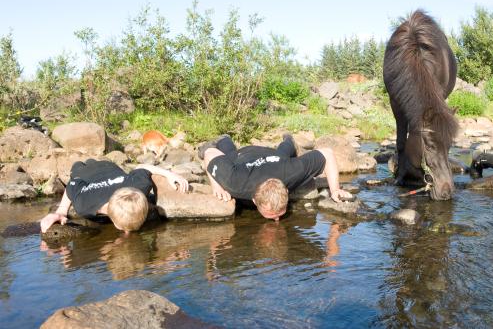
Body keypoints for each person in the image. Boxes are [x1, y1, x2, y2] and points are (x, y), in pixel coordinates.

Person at [201, 134, 351, 221]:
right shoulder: (235, 181)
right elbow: (210, 153)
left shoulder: (292, 172)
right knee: (229, 154)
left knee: (284, 153)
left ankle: (288, 139)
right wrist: (218, 186)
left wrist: (335, 190)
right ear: (254, 200)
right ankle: (224, 138)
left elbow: (327, 154)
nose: (277, 220)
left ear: (286, 190)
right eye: (272, 215)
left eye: (279, 213)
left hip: (275, 157)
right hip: (243, 158)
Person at [40, 159, 189, 233]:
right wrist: (61, 211)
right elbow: (73, 184)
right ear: (116, 224)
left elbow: (143, 167)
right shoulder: (84, 204)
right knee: (77, 167)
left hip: (109, 167)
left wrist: (170, 175)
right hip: (85, 173)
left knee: (105, 166)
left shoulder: (138, 186)